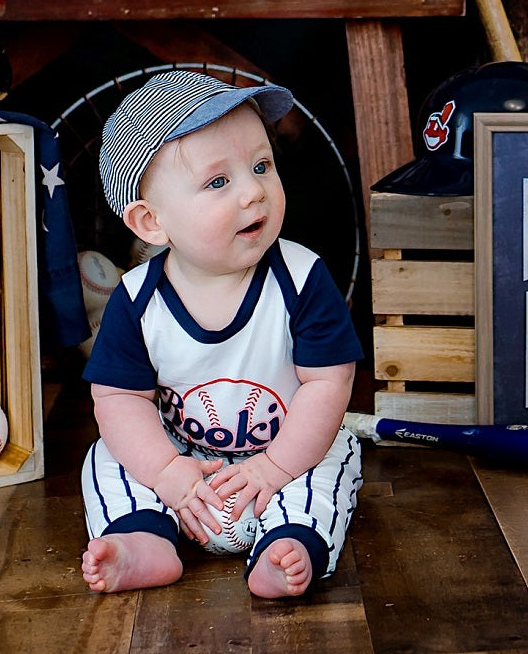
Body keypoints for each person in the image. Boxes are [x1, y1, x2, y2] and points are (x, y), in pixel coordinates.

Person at [78, 70, 363, 599]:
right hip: (182, 460)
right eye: (218, 182)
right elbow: (119, 398)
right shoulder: (137, 299)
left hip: (287, 450)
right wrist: (167, 471)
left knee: (332, 458)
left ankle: (290, 543)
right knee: (109, 455)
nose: (254, 191)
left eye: (261, 166)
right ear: (151, 223)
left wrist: (274, 467)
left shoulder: (303, 278)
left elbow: (329, 383)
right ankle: (143, 539)